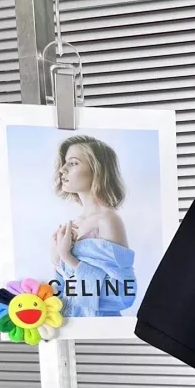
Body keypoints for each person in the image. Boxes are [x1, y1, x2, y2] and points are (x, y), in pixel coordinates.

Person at [50, 134, 137, 317]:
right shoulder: (75, 224)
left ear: (97, 170)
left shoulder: (107, 220)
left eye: (73, 163)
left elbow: (123, 294)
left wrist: (67, 257)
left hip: (99, 326)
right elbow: (65, 292)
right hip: (71, 324)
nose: (62, 169)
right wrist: (57, 261)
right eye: (64, 163)